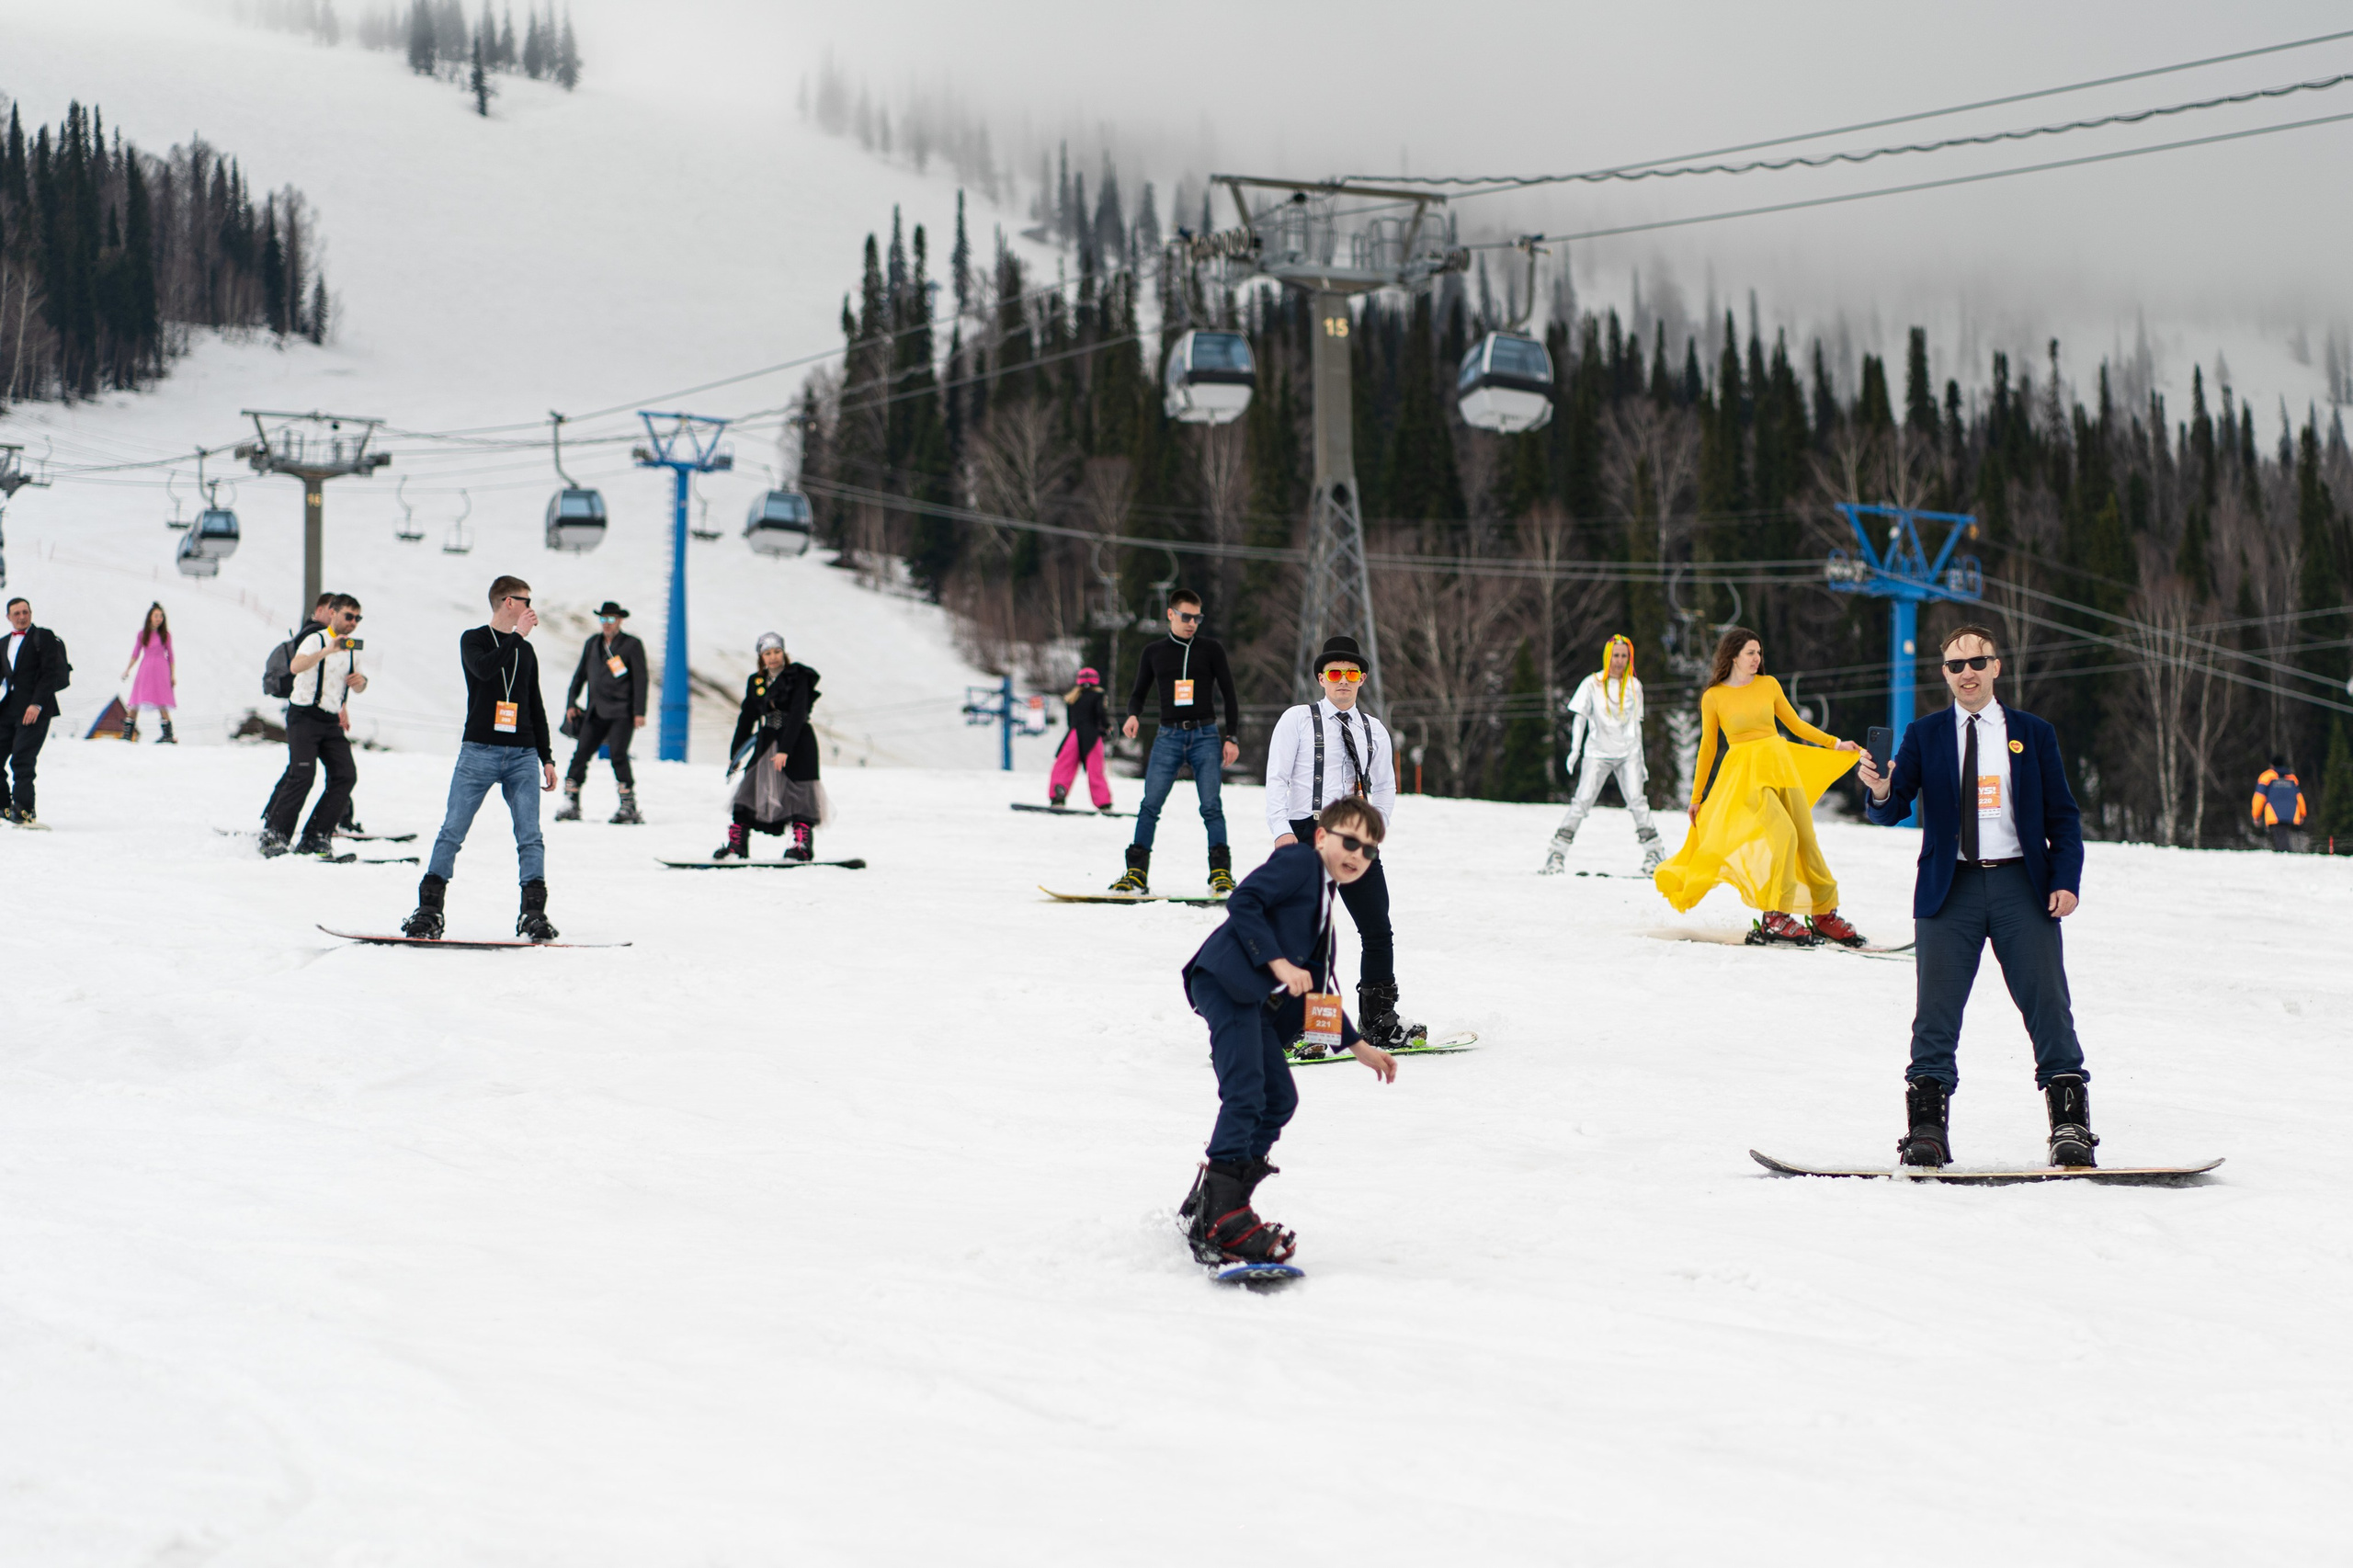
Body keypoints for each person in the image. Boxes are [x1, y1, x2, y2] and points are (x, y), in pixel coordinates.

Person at [1856, 624, 2095, 1169]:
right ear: (1945, 674)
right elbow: (1893, 809)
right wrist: (1880, 788)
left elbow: (2064, 815)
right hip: (1950, 889)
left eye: (1977, 662)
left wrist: (2065, 880)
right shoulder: (1926, 733)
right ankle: (1926, 1132)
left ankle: (2071, 1128)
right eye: (1955, 666)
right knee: (1935, 1016)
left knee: (2048, 1008)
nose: (1966, 673)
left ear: (1996, 668)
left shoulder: (2032, 733)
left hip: (2020, 886)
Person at [1176, 798, 1399, 1267]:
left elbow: (1317, 993)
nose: (1359, 854)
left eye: (1371, 850)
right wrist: (1276, 961)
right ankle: (1222, 1216)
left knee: (1279, 1100)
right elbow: (1245, 900)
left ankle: (1218, 1200)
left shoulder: (1323, 905)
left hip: (1255, 1004)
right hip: (1229, 982)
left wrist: (1358, 1046)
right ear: (1321, 836)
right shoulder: (1299, 862)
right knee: (1246, 1093)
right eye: (1351, 840)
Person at [1653, 627, 1869, 947]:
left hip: (1780, 766)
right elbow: (1707, 749)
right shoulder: (1714, 697)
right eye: (1751, 652)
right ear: (1733, 656)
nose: (1757, 658)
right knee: (1784, 835)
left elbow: (1795, 724)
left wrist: (1836, 744)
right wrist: (1697, 796)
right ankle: (1775, 915)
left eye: (1759, 653)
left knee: (1806, 840)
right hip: (1747, 776)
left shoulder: (1769, 685)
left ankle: (1824, 914)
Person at [1262, 635, 1419, 1051]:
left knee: (1377, 928)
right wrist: (1281, 831)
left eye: (1352, 674)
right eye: (1335, 673)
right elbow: (1276, 778)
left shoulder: (1374, 730)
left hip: (1354, 838)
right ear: (1321, 678)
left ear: (1362, 679)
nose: (1343, 681)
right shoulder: (1297, 719)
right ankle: (1289, 1027)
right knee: (1305, 934)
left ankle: (1379, 1020)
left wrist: (1375, 828)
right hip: (1303, 832)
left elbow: (1385, 786)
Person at [404, 576, 558, 941]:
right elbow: (485, 670)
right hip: (479, 752)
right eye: (526, 600)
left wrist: (547, 757)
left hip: (522, 754)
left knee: (530, 836)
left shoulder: (527, 652)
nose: (531, 608)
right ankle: (429, 911)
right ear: (508, 603)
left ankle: (533, 914)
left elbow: (534, 704)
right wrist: (517, 637)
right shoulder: (472, 639)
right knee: (452, 831)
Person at [1110, 589, 1241, 895]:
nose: (1192, 623)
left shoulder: (1211, 649)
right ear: (1171, 614)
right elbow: (1138, 692)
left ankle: (1221, 874)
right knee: (1149, 805)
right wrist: (1132, 715)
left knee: (1211, 806)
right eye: (1186, 616)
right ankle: (1135, 874)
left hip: (1205, 736)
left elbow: (1229, 694)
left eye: (1197, 617)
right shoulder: (1153, 651)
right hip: (1168, 736)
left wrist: (1232, 736)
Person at [1540, 633, 1663, 876]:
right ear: (1608, 656)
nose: (1619, 661)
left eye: (1624, 656)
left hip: (1628, 752)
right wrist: (1575, 749)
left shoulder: (1634, 686)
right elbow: (1580, 717)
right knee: (1582, 801)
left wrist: (1642, 761)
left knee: (1638, 802)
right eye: (1616, 655)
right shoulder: (1591, 683)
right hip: (1597, 751)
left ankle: (1655, 854)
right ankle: (1556, 854)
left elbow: (1636, 723)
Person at [260, 592, 366, 858]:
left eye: (358, 618)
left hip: (330, 720)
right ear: (333, 614)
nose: (353, 622)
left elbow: (358, 682)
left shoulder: (352, 648)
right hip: (304, 716)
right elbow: (296, 666)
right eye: (349, 616)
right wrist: (326, 651)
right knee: (302, 774)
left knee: (345, 775)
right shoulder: (315, 639)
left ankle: (316, 837)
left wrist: (359, 685)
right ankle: (275, 835)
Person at [713, 631, 824, 862]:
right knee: (749, 790)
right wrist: (735, 755)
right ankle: (737, 845)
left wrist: (785, 749)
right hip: (767, 741)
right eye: (767, 653)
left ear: (784, 653)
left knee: (799, 794)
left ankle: (801, 845)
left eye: (777, 652)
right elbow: (746, 718)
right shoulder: (756, 682)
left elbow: (797, 713)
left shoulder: (798, 676)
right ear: (760, 657)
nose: (773, 657)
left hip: (797, 741)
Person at [558, 600, 650, 825]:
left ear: (619, 621)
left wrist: (639, 711)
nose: (606, 624)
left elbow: (641, 679)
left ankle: (628, 805)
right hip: (595, 710)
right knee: (580, 755)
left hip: (622, 712)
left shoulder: (631, 645)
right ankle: (571, 801)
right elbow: (580, 675)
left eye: (611, 619)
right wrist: (571, 702)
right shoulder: (593, 643)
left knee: (618, 756)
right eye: (603, 619)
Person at [2, 597, 70, 828]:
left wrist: (37, 704)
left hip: (34, 710)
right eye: (16, 613)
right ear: (8, 617)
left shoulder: (44, 637)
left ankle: (24, 811)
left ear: (30, 613)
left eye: (25, 612)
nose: (22, 617)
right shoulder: (3, 643)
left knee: (22, 759)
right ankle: (3, 808)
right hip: (6, 710)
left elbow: (49, 673)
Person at [1047, 666, 1113, 812]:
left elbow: (1070, 721)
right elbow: (1100, 713)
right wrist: (1106, 727)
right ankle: (1103, 803)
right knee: (1095, 769)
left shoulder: (1072, 698)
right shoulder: (1098, 696)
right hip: (1091, 735)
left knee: (1064, 766)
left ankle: (1058, 796)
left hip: (1074, 735)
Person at [119, 602, 177, 744]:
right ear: (150, 617)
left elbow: (171, 656)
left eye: (161, 616)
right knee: (136, 700)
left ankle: (168, 735)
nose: (159, 619)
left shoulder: (166, 635)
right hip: (145, 669)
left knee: (161, 700)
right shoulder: (142, 634)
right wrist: (128, 669)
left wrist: (172, 674)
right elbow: (136, 653)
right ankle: (127, 734)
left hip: (161, 670)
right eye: (156, 616)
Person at [2250, 757, 2306, 852]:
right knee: (2283, 834)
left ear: (2272, 765)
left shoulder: (2266, 777)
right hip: (2291, 812)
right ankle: (2285, 853)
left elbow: (2259, 797)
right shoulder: (2292, 778)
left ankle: (2284, 855)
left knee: (2279, 836)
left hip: (2274, 812)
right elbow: (2299, 797)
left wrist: (2256, 815)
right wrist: (2302, 813)